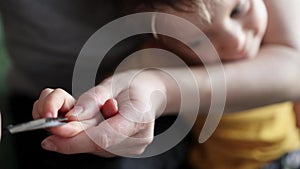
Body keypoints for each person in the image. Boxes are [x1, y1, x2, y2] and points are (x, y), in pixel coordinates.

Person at [1, 0, 300, 169]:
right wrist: (82, 114)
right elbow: (115, 94)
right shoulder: (160, 56)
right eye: (198, 39)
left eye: (238, 10)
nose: (235, 40)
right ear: (162, 40)